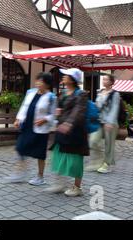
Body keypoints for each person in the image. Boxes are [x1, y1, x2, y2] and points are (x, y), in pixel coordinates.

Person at [5, 73, 57, 185]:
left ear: (47, 84)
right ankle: (20, 173)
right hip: (27, 125)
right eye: (37, 80)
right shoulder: (31, 92)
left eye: (41, 81)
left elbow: (53, 115)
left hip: (41, 129)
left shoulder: (51, 97)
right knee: (20, 148)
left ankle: (40, 177)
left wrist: (44, 119)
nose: (38, 83)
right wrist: (18, 119)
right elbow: (24, 106)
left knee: (40, 154)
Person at [45, 68, 89, 197]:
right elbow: (60, 109)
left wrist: (69, 123)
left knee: (75, 160)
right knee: (58, 156)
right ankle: (59, 183)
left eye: (66, 75)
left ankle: (77, 187)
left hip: (75, 132)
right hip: (62, 130)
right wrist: (57, 112)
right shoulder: (63, 93)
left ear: (73, 79)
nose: (63, 77)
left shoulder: (81, 94)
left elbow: (78, 110)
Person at [93, 74, 120, 174]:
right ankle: (99, 159)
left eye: (106, 79)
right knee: (93, 141)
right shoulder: (100, 92)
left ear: (111, 82)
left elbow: (114, 109)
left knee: (109, 144)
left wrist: (110, 122)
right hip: (100, 121)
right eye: (103, 79)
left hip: (110, 123)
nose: (103, 81)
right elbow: (97, 106)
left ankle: (107, 164)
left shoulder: (115, 94)